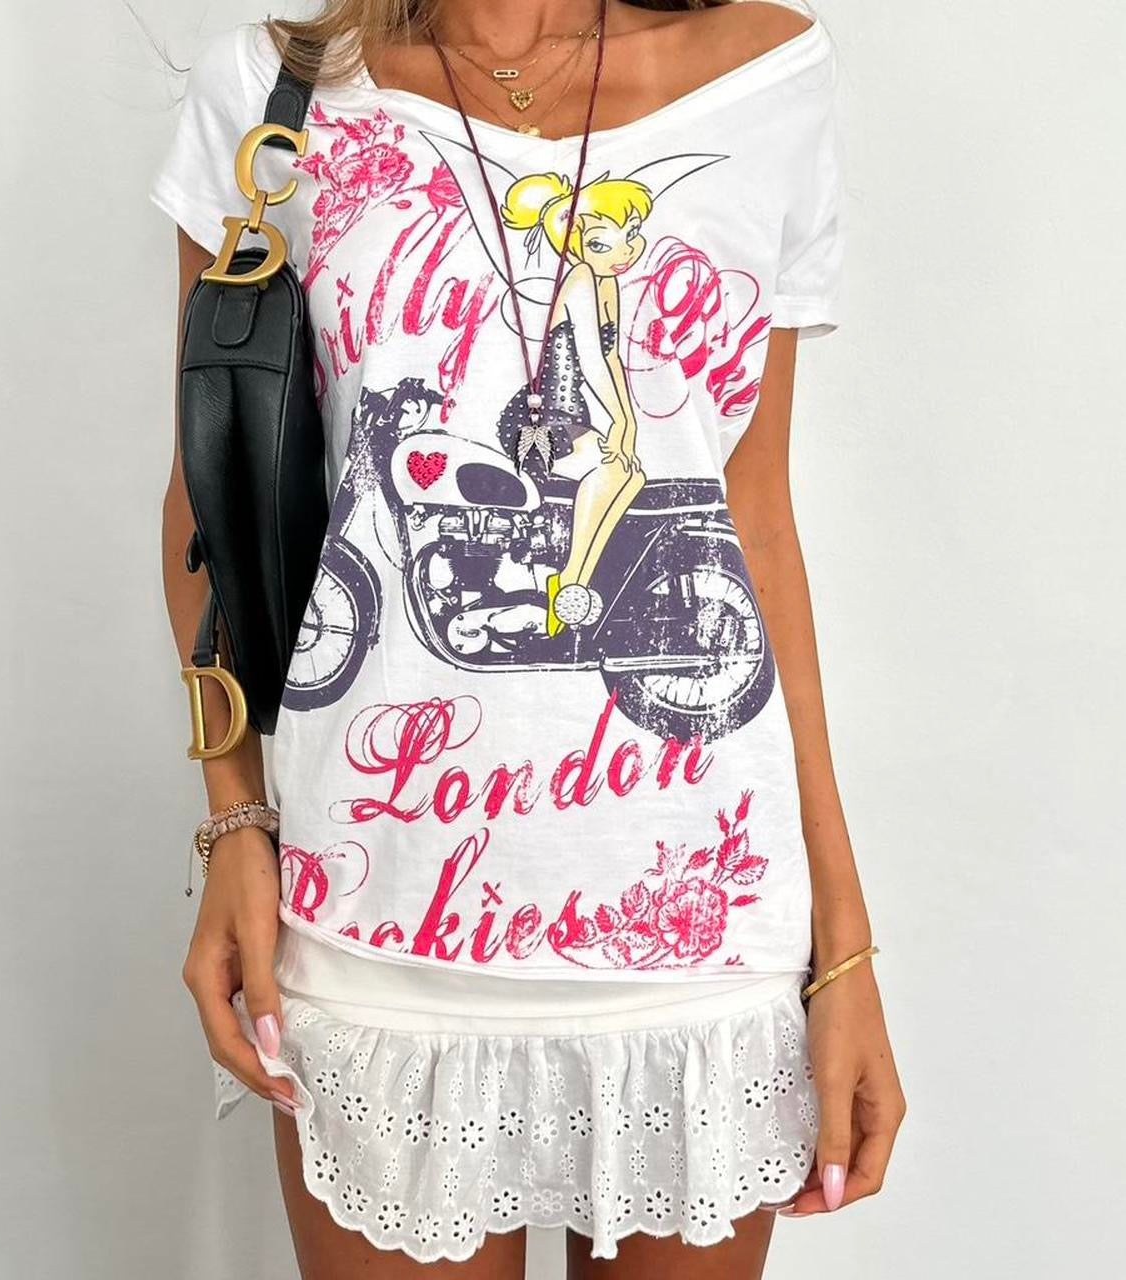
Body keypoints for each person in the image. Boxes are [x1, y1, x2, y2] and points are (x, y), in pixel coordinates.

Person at [153, 2, 905, 1276]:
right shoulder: (277, 93)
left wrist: (844, 944)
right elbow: (205, 504)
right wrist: (234, 818)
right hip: (375, 928)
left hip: (696, 942)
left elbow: (756, 520)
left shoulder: (765, 75)